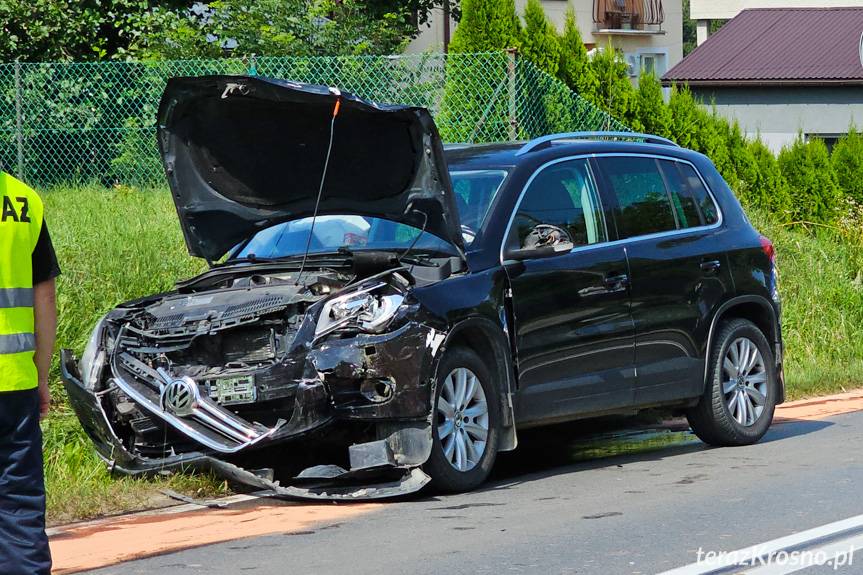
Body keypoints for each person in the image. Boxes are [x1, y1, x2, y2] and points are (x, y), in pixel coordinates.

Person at [0, 171, 59, 575]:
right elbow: (44, 294)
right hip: (15, 385)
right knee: (18, 508)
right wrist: (41, 377)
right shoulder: (24, 201)